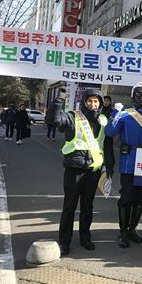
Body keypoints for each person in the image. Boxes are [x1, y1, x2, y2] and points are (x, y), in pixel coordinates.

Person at [50, 88, 107, 256]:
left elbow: (107, 144)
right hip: (74, 170)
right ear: (84, 102)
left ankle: (85, 238)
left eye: (96, 101)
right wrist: (58, 101)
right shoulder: (72, 116)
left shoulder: (103, 120)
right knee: (69, 207)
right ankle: (64, 242)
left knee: (87, 207)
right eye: (90, 101)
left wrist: (107, 167)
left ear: (101, 103)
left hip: (93, 170)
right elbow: (54, 120)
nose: (93, 104)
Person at [104, 82, 142, 248]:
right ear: (133, 96)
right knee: (127, 197)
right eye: (139, 94)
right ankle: (123, 231)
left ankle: (132, 229)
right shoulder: (125, 114)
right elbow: (109, 132)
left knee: (141, 198)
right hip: (129, 160)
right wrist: (115, 113)